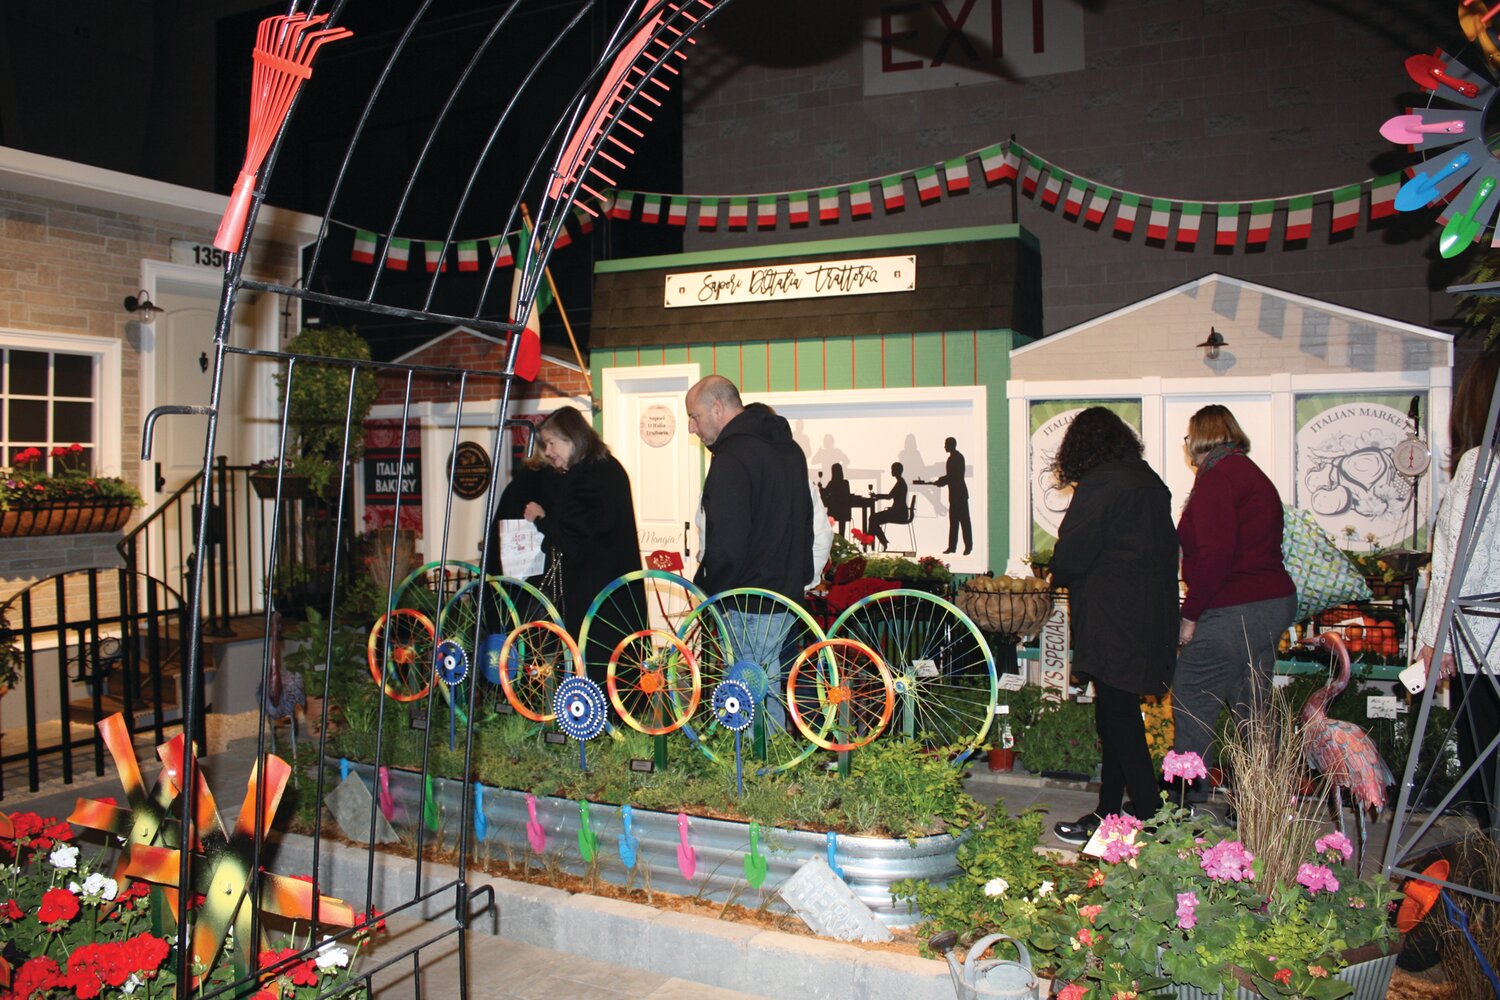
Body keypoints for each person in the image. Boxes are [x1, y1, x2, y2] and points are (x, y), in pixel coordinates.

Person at [1047, 407, 1179, 843]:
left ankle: (1153, 817)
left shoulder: (1102, 483)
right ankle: (1109, 813)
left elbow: (1071, 556)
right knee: (1116, 714)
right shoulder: (1149, 481)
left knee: (1118, 719)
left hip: (1112, 618)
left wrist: (1055, 571)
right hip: (1152, 615)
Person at [1173, 405, 1297, 803]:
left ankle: (1186, 809)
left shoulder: (1218, 480)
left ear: (1199, 440)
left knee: (1193, 697)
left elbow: (1214, 557)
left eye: (1189, 439)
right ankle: (1263, 809)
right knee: (1252, 707)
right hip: (1270, 602)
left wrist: (1189, 615)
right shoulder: (1250, 473)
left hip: (1235, 606)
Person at [686, 375, 813, 726]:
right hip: (786, 594)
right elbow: (806, 519)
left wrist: (713, 593)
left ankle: (758, 770)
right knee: (770, 681)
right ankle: (768, 766)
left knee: (749, 686)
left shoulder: (732, 457)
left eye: (694, 417)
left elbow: (726, 540)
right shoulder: (790, 450)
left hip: (747, 598)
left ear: (717, 408)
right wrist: (802, 577)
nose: (692, 428)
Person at [1415, 350, 1500, 832]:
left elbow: (1454, 561)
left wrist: (1434, 641)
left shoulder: (1479, 465)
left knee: (1484, 770)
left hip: (1482, 645)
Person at [522, 406, 643, 681]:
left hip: (594, 591)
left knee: (596, 665)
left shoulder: (585, 478)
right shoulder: (607, 468)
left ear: (571, 438)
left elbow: (572, 540)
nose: (549, 451)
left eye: (551, 442)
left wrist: (542, 519)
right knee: (620, 666)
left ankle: (592, 716)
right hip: (616, 588)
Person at [917, 437, 971, 555]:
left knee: (964, 521)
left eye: (946, 444)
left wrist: (940, 481)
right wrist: (940, 481)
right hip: (954, 494)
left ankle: (968, 546)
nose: (944, 446)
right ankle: (952, 547)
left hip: (960, 494)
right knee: (954, 521)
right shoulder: (952, 458)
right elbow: (950, 476)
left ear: (951, 445)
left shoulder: (956, 458)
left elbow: (953, 476)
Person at [866, 462, 909, 551]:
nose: (891, 471)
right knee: (873, 519)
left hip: (899, 514)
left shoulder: (900, 484)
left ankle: (872, 541)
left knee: (873, 518)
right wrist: (877, 496)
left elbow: (889, 496)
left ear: (897, 471)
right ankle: (874, 541)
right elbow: (892, 497)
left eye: (892, 469)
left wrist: (877, 496)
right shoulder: (901, 482)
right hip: (897, 511)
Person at [820, 463, 854, 537]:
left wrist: (820, 488)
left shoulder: (832, 483)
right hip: (843, 512)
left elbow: (825, 493)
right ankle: (842, 539)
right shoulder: (845, 483)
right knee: (842, 526)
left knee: (828, 524)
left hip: (833, 511)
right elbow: (847, 496)